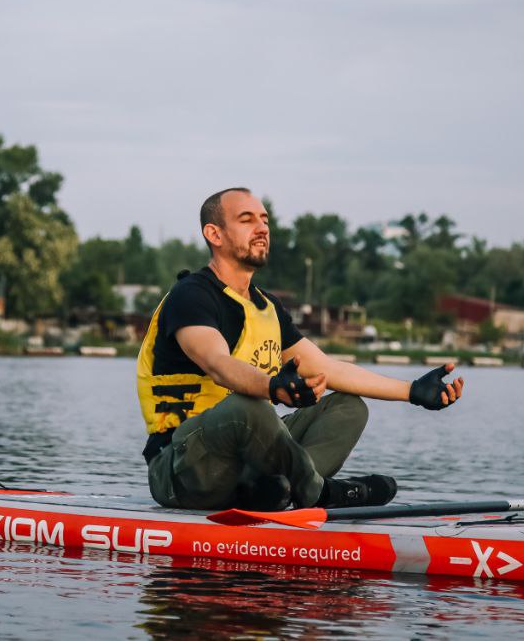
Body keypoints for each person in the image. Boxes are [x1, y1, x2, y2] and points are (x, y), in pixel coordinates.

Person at [136, 187, 464, 512]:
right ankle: (319, 493)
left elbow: (327, 369)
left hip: (246, 469)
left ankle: (278, 492)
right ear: (214, 234)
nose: (262, 227)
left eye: (265, 220)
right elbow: (217, 363)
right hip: (183, 468)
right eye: (247, 219)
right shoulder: (191, 295)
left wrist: (412, 391)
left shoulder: (267, 307)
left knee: (349, 407)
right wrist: (273, 388)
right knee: (249, 408)